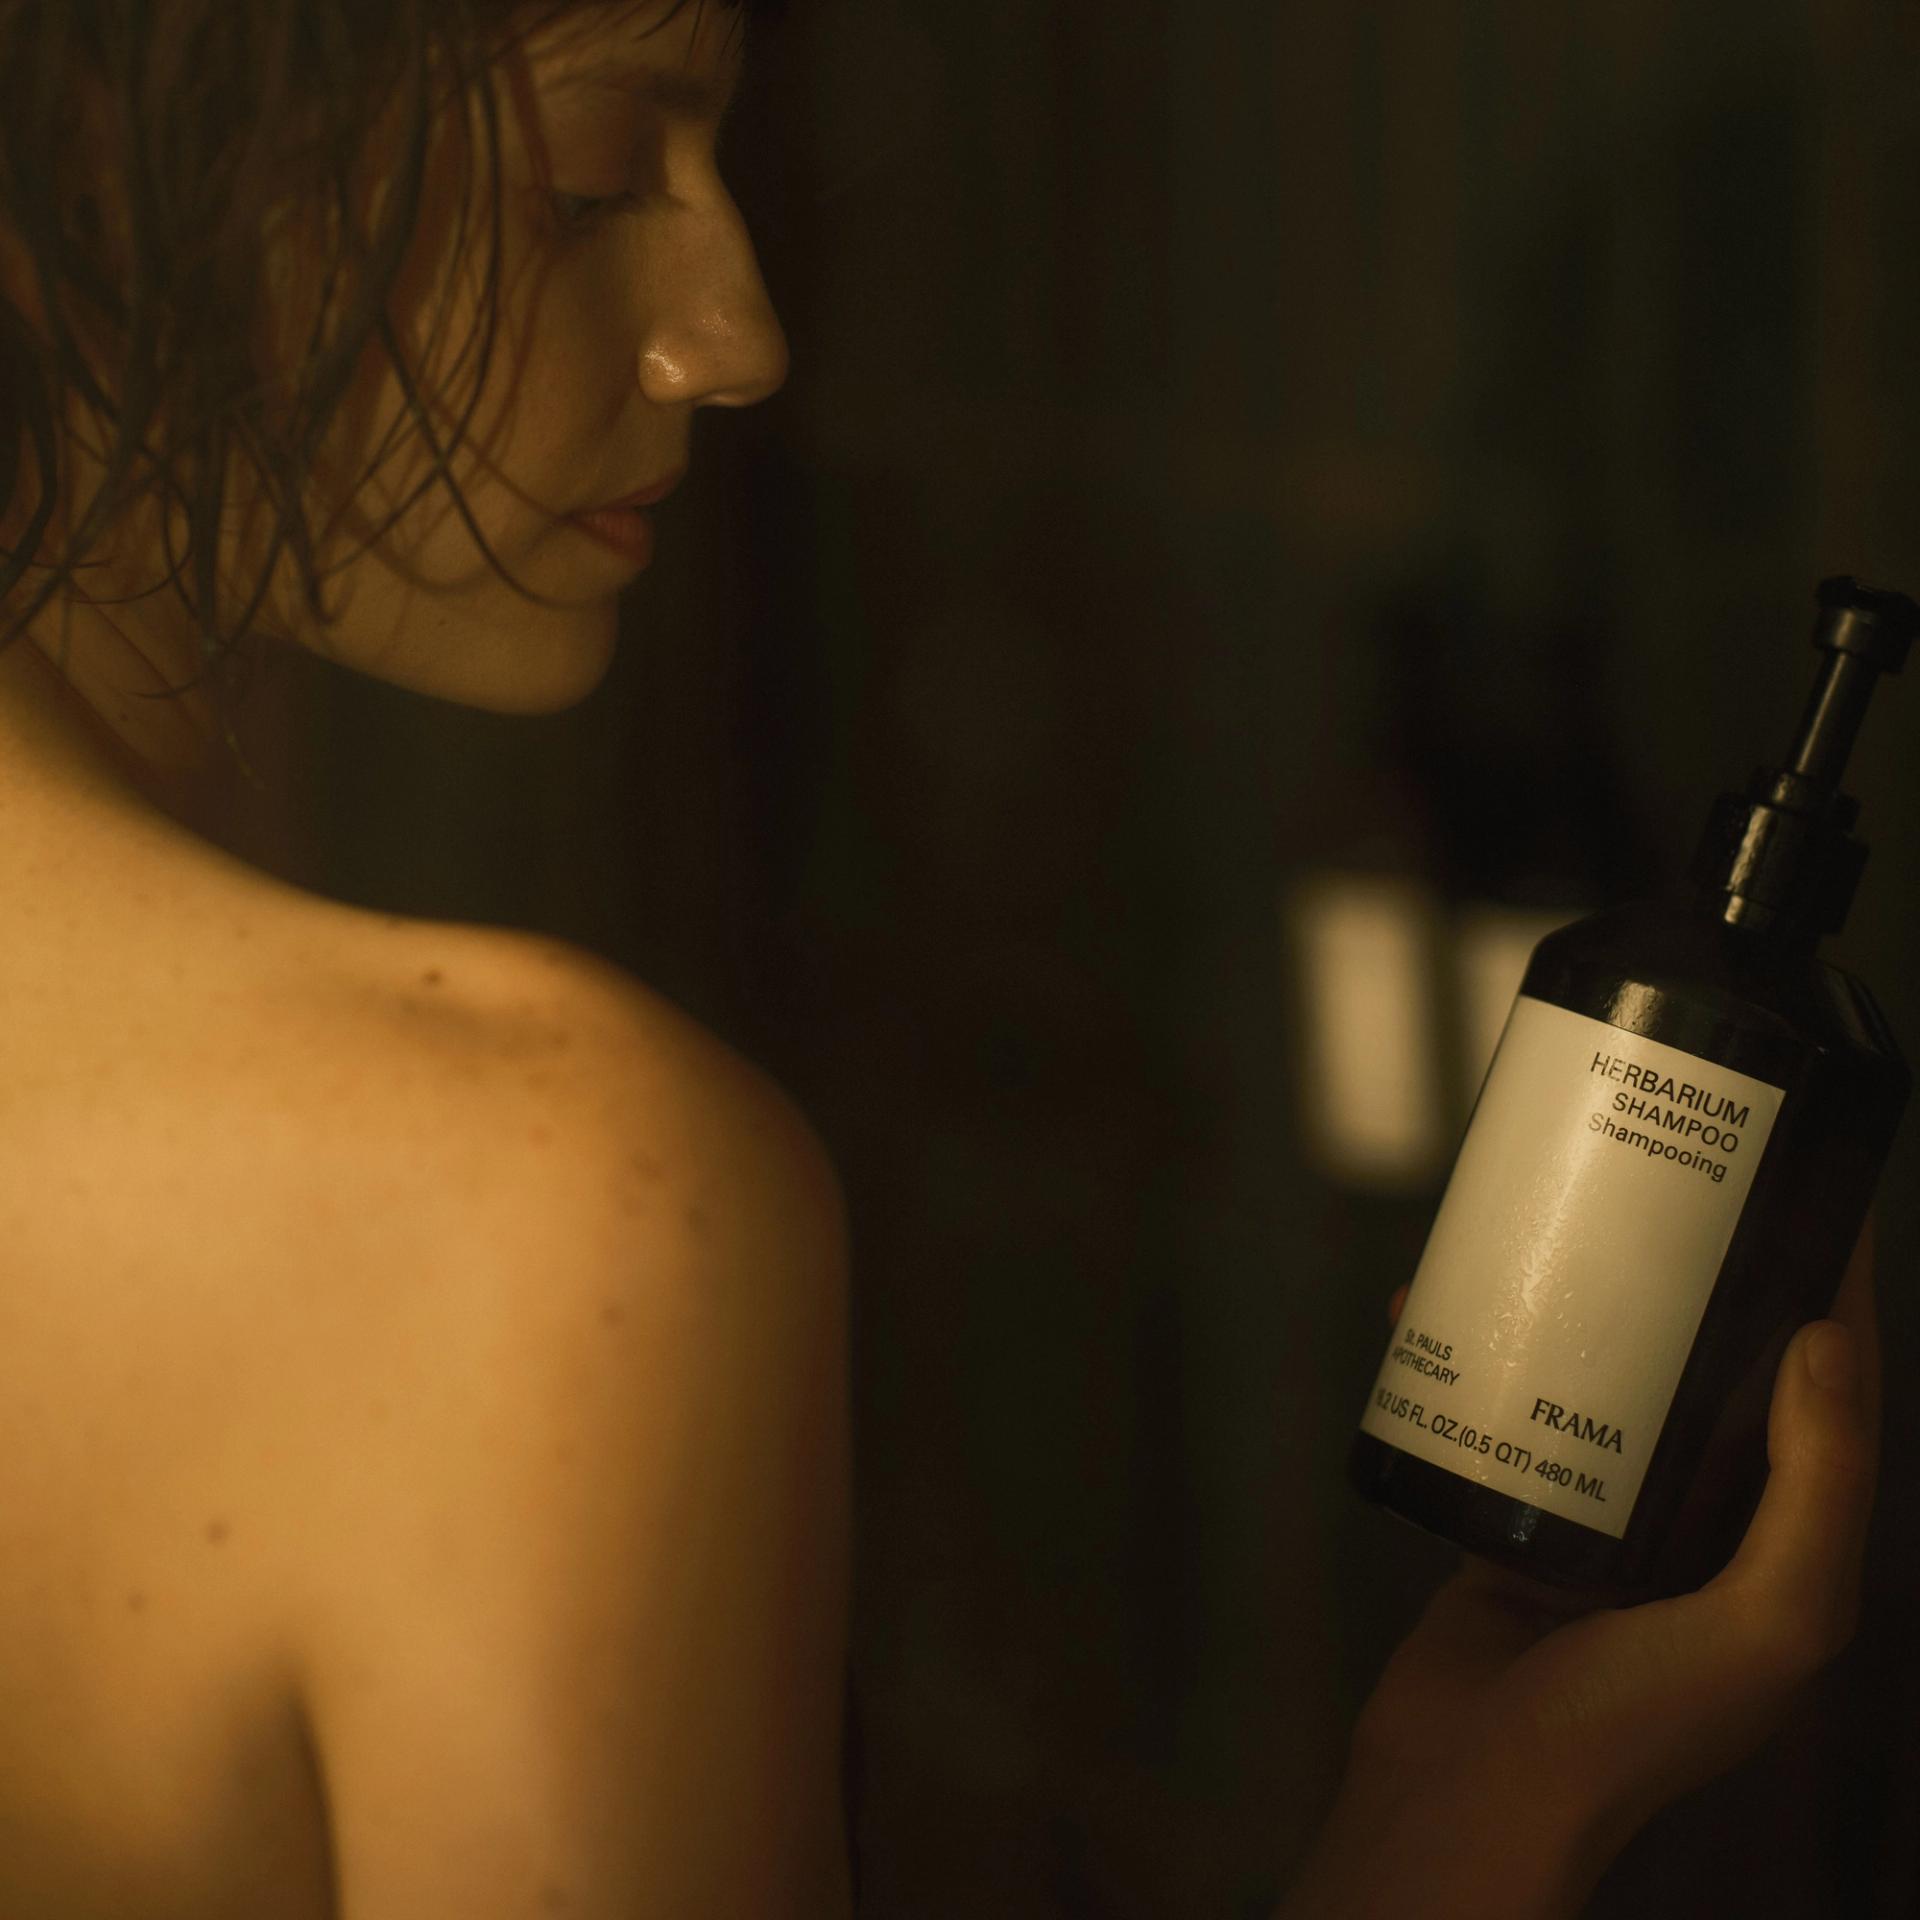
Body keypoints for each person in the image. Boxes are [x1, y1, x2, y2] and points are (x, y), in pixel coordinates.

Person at [0, 3, 1884, 1916]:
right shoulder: (526, 1198)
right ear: (82, 164)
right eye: (581, 185)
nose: (738, 338)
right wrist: (1485, 1842)